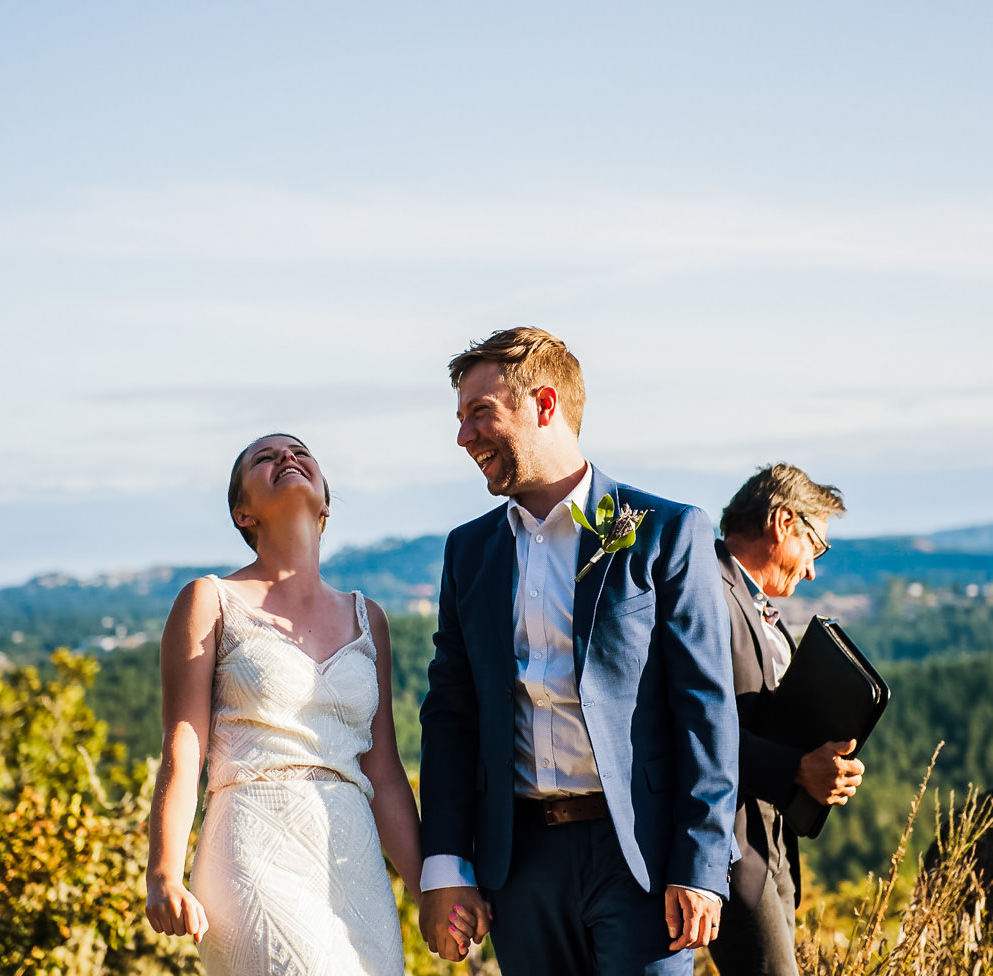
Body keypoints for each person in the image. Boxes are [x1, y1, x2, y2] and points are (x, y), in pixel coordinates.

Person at [417, 327, 740, 975]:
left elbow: (706, 706)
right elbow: (450, 718)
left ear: (544, 404)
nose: (463, 437)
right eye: (459, 419)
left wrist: (702, 866)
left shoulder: (667, 533)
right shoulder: (468, 552)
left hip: (641, 860)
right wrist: (446, 865)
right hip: (521, 862)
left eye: (481, 413)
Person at [144, 433, 441, 975]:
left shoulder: (368, 618)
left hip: (351, 861)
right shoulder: (209, 600)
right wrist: (164, 872)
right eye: (265, 458)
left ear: (324, 501)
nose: (287, 458)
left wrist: (429, 891)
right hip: (251, 843)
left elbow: (384, 771)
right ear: (243, 512)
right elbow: (182, 750)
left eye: (301, 453)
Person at [711, 464, 867, 976]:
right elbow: (697, 728)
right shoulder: (709, 593)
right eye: (815, 546)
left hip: (772, 840)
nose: (813, 569)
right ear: (782, 522)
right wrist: (798, 768)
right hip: (732, 848)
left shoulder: (754, 604)